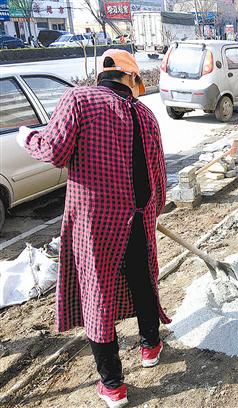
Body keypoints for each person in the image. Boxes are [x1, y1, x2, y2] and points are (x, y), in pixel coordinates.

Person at [16, 49, 169, 408]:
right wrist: (153, 212)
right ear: (130, 77)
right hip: (139, 216)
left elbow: (54, 151)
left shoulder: (78, 100)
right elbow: (158, 174)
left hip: (95, 221)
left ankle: (113, 386)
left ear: (102, 74)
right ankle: (150, 346)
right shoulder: (146, 115)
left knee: (97, 293)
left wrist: (27, 138)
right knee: (142, 278)